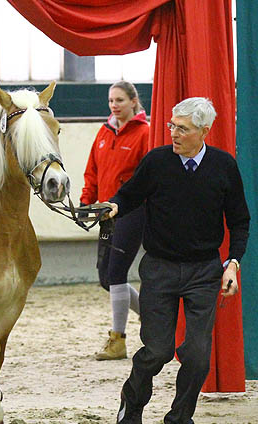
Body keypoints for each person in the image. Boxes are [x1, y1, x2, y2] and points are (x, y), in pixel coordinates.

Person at [104, 97, 250, 424]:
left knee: (198, 356)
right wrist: (113, 206)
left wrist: (232, 262)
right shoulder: (157, 162)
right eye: (171, 126)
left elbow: (240, 221)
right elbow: (130, 195)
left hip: (204, 271)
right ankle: (133, 399)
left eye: (182, 128)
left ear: (204, 131)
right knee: (158, 350)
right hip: (160, 269)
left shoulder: (223, 167)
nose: (173, 133)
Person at [80, 81, 150, 361]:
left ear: (134, 101)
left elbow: (147, 177)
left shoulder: (144, 133)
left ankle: (118, 339)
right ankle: (154, 316)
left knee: (117, 273)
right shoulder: (103, 132)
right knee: (107, 278)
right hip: (106, 214)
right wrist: (87, 202)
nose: (114, 105)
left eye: (120, 100)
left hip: (133, 212)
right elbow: (92, 171)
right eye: (111, 100)